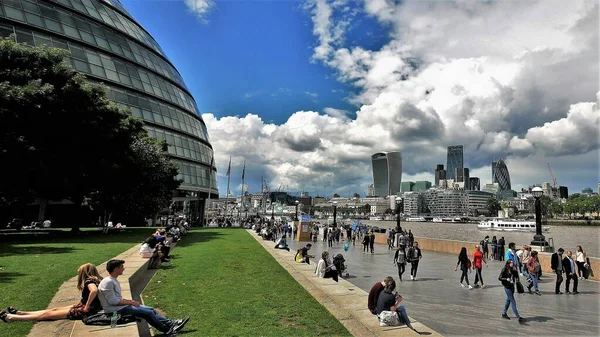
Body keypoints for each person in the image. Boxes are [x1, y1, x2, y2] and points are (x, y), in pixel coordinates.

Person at [98, 260, 189, 335]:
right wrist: (131, 302)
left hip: (120, 307)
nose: (124, 269)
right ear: (116, 269)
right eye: (122, 267)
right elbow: (113, 301)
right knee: (147, 313)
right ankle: (168, 330)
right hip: (114, 311)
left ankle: (172, 324)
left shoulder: (112, 280)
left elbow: (117, 299)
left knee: (151, 309)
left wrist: (130, 301)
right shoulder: (108, 282)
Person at [1, 263, 102, 322]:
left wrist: (87, 306)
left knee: (47, 315)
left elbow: (94, 291)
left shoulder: (90, 281)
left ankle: (11, 317)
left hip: (86, 311)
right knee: (55, 309)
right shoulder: (97, 280)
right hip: (85, 307)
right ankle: (21, 313)